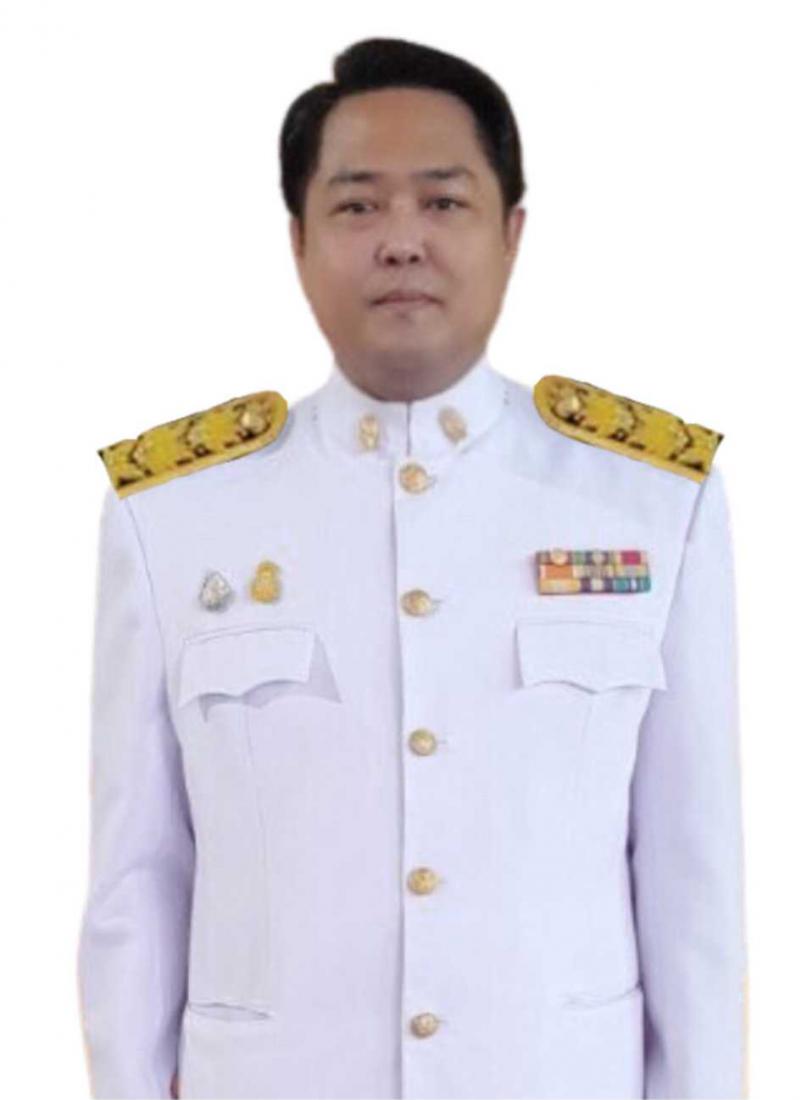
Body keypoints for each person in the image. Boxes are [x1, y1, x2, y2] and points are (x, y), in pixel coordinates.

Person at [77, 36, 747, 1100]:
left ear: (510, 232)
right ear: (298, 240)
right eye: (357, 205)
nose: (400, 241)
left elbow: (692, 885)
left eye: (442, 201)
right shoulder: (172, 515)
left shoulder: (651, 502)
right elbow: (136, 882)